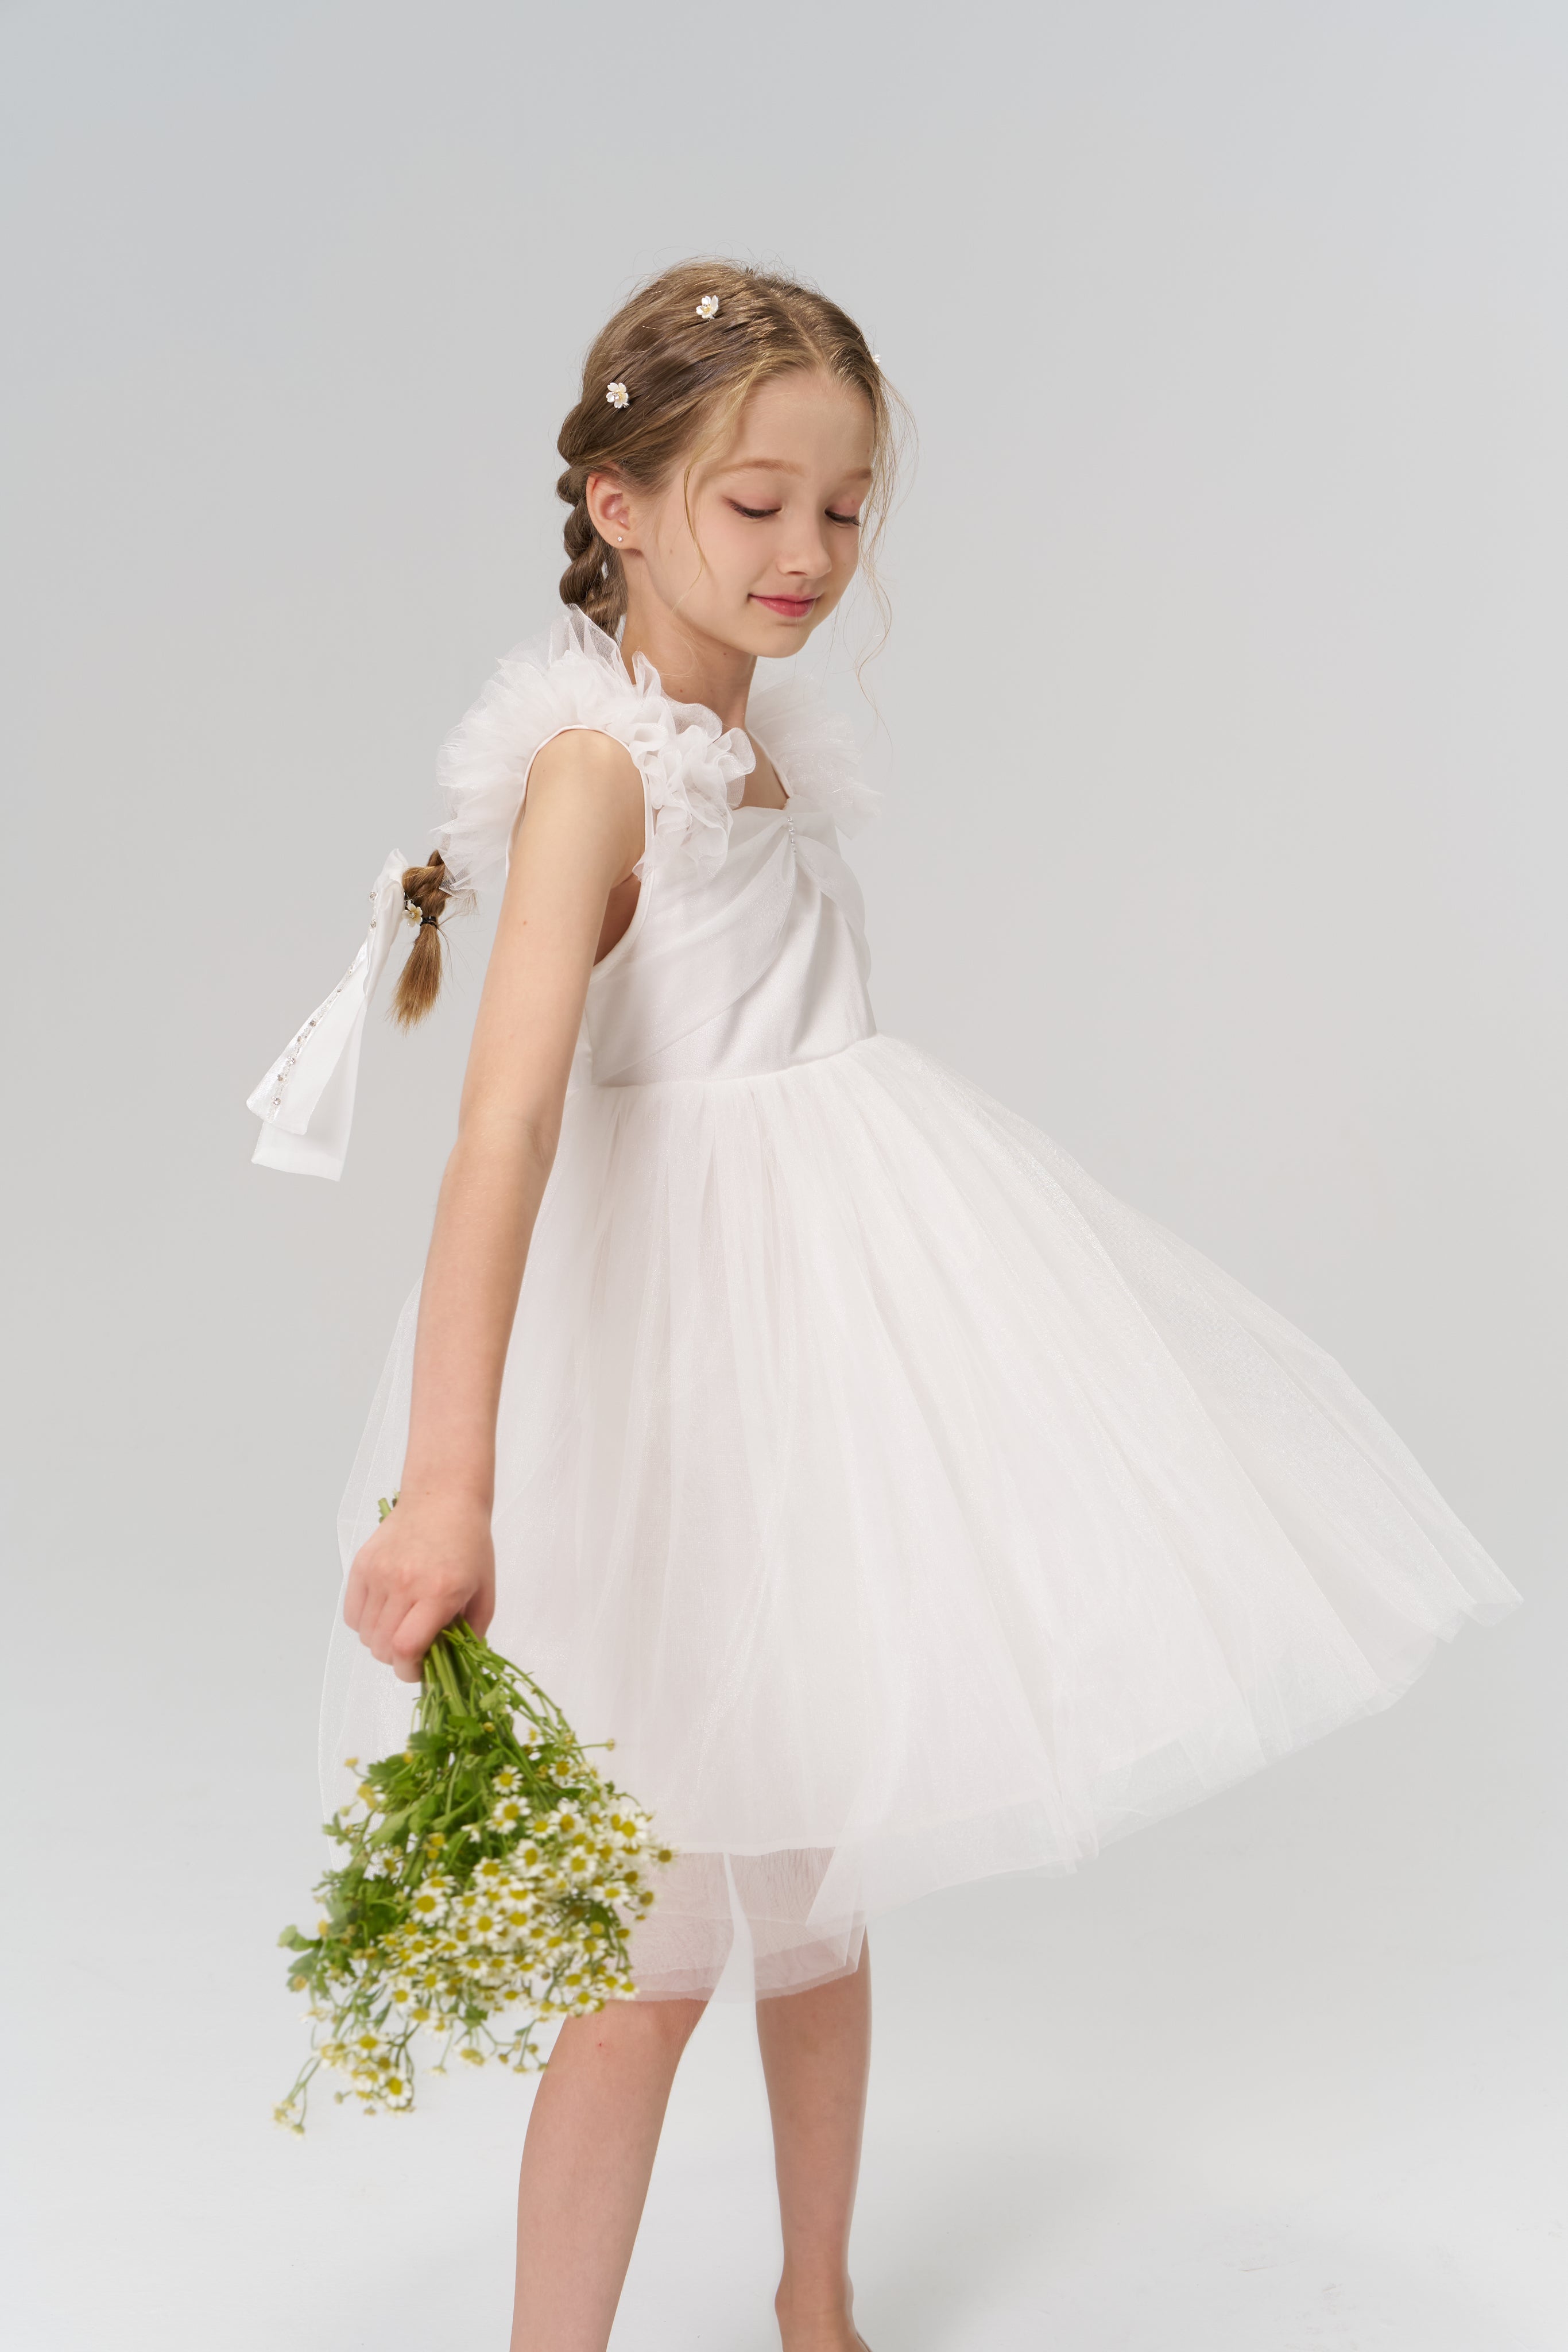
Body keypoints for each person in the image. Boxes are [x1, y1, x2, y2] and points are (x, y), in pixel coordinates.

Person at [250, 259, 1519, 2352]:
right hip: (660, 1373)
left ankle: (814, 2310)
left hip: (816, 1357)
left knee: (810, 1885)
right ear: (618, 502)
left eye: (843, 511)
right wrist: (445, 1482)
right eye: (752, 504)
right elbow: (500, 1134)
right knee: (642, 1956)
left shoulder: (759, 765)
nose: (807, 555)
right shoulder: (596, 779)